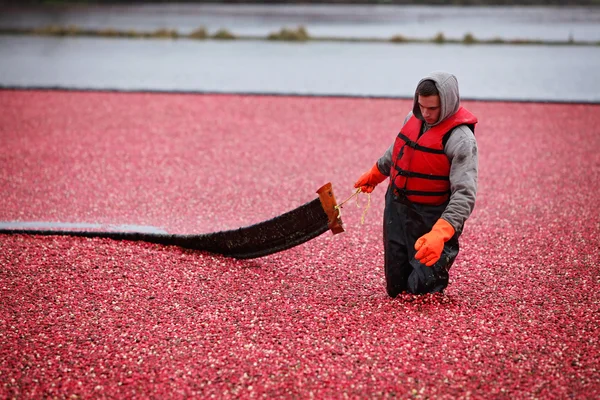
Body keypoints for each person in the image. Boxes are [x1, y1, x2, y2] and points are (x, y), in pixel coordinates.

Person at [354, 71, 478, 296]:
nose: (426, 114)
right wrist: (376, 172)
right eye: (422, 106)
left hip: (432, 217)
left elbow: (465, 194)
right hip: (398, 208)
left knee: (423, 289)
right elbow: (399, 150)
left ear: (448, 104)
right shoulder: (412, 118)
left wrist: (440, 233)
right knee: (395, 287)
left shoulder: (461, 140)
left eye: (433, 108)